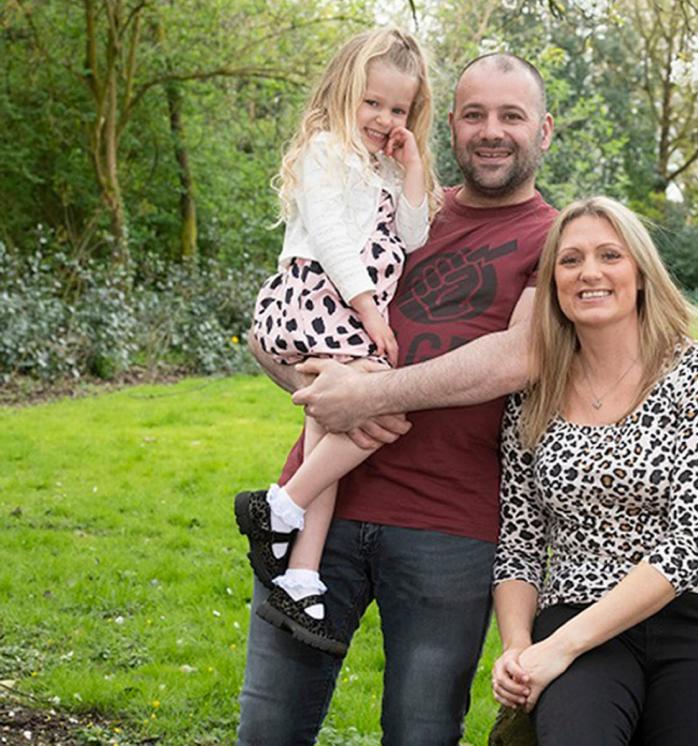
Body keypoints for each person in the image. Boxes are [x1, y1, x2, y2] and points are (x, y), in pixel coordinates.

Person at [236, 51, 557, 745]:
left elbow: (518, 355)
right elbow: (271, 329)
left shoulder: (555, 237)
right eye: (473, 115)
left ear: (544, 131)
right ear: (447, 125)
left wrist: (369, 397)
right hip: (316, 501)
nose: (491, 130)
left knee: (420, 731)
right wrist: (319, 393)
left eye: (511, 116)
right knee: (268, 724)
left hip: (449, 526)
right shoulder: (390, 200)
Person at [489, 196, 698, 746]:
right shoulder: (531, 396)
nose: (589, 272)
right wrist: (519, 647)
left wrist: (558, 648)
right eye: (570, 260)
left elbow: (693, 540)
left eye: (609, 255)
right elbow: (520, 539)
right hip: (575, 609)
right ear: (554, 283)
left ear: (640, 273)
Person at [234, 26, 435, 658]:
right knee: (379, 404)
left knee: (330, 423)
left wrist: (412, 165)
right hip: (317, 297)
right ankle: (281, 503)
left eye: (398, 109)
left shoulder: (382, 165)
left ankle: (300, 571)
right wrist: (370, 312)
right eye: (371, 103)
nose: (383, 118)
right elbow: (328, 237)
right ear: (344, 92)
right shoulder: (326, 150)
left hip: (346, 309)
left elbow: (415, 236)